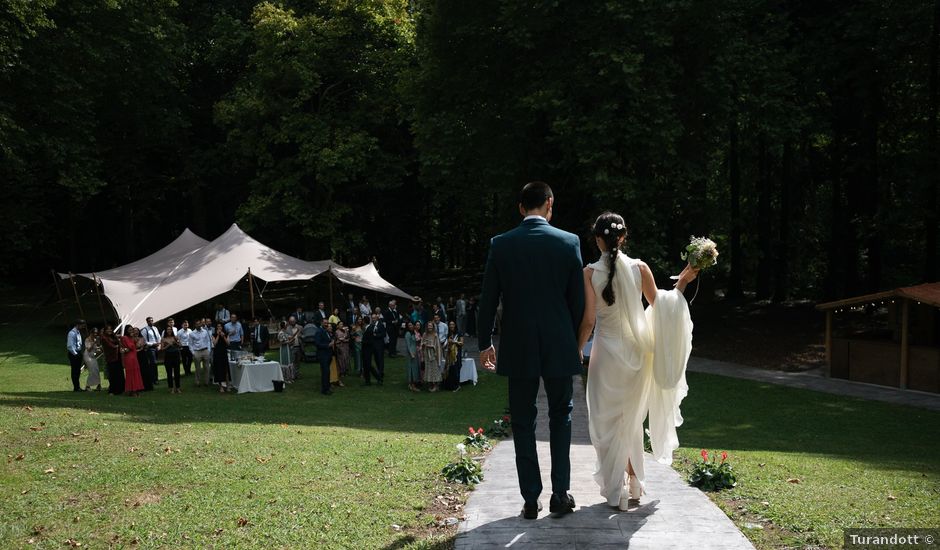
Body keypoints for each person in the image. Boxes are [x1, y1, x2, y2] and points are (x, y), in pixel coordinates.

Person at [478, 181, 584, 520]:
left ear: (520, 207)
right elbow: (577, 302)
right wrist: (575, 342)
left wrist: (484, 342)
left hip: (518, 344)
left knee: (522, 421)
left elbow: (487, 299)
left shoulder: (501, 244)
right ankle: (560, 494)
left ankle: (529, 497)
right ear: (549, 203)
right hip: (558, 343)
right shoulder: (569, 242)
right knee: (561, 417)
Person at [577, 212, 697, 510]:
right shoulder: (640, 268)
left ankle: (616, 487)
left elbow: (589, 321)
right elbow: (662, 306)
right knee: (630, 421)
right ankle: (633, 482)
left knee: (606, 421)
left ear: (597, 240)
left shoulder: (589, 273)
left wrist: (577, 348)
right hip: (636, 353)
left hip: (605, 355)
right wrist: (681, 282)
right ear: (624, 237)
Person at [360, 312, 385, 386]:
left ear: (364, 322)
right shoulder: (368, 328)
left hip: (368, 349)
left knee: (368, 365)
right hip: (365, 349)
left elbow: (370, 340)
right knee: (366, 365)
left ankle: (378, 378)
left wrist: (362, 341)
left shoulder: (370, 328)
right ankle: (368, 381)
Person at [100, 325, 124, 395]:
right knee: (113, 375)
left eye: (110, 329)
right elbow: (111, 346)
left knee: (119, 373)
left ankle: (121, 389)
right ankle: (113, 390)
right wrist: (118, 346)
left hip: (117, 357)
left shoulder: (113, 336)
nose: (109, 330)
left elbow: (119, 343)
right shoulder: (104, 338)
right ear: (105, 331)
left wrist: (118, 342)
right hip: (111, 358)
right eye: (107, 329)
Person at [120, 326, 144, 397]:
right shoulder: (124, 338)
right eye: (129, 330)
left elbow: (138, 346)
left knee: (136, 373)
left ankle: (135, 390)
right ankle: (132, 391)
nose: (131, 331)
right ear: (126, 331)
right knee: (131, 374)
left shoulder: (133, 338)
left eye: (132, 330)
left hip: (134, 357)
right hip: (129, 358)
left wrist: (136, 341)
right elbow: (130, 347)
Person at [313, 320, 334, 395]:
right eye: (325, 323)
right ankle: (324, 389)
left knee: (327, 372)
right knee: (325, 372)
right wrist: (328, 345)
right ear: (321, 323)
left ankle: (327, 387)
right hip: (323, 355)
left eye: (327, 323)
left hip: (328, 355)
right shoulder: (319, 331)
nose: (326, 324)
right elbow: (317, 344)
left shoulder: (326, 331)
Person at [420, 322, 442, 391]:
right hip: (427, 354)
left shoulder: (435, 335)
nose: (430, 327)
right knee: (428, 369)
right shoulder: (424, 334)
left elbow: (438, 345)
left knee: (434, 369)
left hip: (433, 354)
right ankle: (430, 384)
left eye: (431, 326)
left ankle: (436, 385)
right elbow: (422, 343)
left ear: (433, 327)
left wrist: (433, 346)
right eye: (428, 326)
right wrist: (424, 344)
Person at [161, 326, 182, 394]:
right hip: (168, 356)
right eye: (168, 329)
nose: (169, 331)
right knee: (169, 373)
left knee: (177, 372)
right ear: (166, 331)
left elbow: (180, 345)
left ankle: (178, 388)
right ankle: (171, 388)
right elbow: (162, 349)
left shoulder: (175, 337)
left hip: (176, 355)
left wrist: (176, 343)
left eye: (170, 329)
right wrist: (168, 345)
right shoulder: (163, 339)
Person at [140, 317, 161, 387]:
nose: (151, 322)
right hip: (150, 348)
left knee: (155, 363)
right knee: (153, 364)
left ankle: (155, 378)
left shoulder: (155, 328)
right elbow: (144, 341)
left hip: (156, 347)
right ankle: (154, 379)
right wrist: (152, 344)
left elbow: (158, 337)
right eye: (149, 321)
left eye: (152, 320)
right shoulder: (145, 330)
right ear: (147, 322)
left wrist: (159, 344)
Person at [66, 320, 86, 392]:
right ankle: (76, 387)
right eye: (82, 325)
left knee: (77, 371)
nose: (83, 327)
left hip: (78, 352)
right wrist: (75, 354)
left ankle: (78, 386)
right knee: (74, 371)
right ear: (78, 325)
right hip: (74, 353)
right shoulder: (72, 333)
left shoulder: (78, 332)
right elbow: (70, 346)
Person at [190, 319, 211, 387]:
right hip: (197, 352)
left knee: (207, 367)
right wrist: (193, 353)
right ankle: (197, 381)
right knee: (197, 368)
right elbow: (190, 344)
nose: (199, 325)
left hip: (205, 350)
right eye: (197, 324)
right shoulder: (192, 333)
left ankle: (206, 382)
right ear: (195, 325)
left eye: (199, 324)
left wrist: (209, 350)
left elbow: (208, 341)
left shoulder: (205, 331)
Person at [443, 321, 463, 392]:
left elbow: (461, 343)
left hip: (456, 355)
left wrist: (453, 342)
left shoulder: (459, 333)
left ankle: (457, 386)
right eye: (450, 325)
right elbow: (447, 344)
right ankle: (450, 386)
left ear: (455, 325)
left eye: (453, 324)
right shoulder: (449, 334)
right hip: (449, 354)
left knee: (456, 370)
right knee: (450, 370)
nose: (451, 326)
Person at [212, 323, 230, 393]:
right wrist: (218, 336)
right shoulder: (214, 335)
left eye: (220, 326)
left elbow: (228, 343)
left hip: (224, 353)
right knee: (219, 370)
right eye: (218, 326)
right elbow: (214, 344)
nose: (219, 328)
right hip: (217, 354)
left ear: (222, 327)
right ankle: (221, 387)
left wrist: (223, 336)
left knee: (226, 370)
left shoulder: (226, 334)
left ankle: (228, 386)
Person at [83, 327, 102, 391]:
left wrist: (99, 348)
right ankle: (87, 386)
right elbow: (88, 349)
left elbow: (96, 348)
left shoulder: (95, 339)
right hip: (87, 356)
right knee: (92, 371)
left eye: (96, 333)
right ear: (91, 333)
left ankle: (98, 385)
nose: (95, 334)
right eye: (94, 333)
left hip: (93, 356)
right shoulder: (87, 339)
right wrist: (94, 342)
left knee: (97, 370)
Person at [404, 321, 420, 392]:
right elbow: (408, 345)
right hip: (411, 354)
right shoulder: (407, 334)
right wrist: (411, 354)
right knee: (411, 368)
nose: (410, 326)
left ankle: (412, 384)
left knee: (415, 368)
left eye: (411, 325)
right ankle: (411, 384)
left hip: (415, 352)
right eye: (409, 325)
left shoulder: (413, 333)